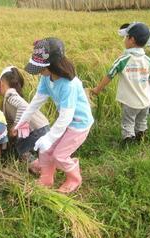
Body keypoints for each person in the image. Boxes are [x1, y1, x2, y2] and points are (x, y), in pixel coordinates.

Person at [15, 37, 93, 193]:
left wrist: (50, 137)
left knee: (59, 155)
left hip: (79, 125)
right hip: (65, 122)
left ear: (54, 65)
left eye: (40, 68)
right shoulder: (46, 77)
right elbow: (36, 102)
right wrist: (22, 122)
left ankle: (74, 178)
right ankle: (46, 178)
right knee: (45, 150)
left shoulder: (68, 85)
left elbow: (66, 116)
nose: (38, 72)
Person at [92, 23, 150, 143]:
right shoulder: (149, 61)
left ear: (132, 40)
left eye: (126, 37)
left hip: (130, 102)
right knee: (142, 122)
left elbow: (110, 75)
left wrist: (97, 89)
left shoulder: (123, 60)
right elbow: (148, 80)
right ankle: (142, 140)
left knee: (128, 123)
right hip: (145, 100)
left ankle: (128, 144)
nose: (124, 40)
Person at [0, 66, 50, 167]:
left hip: (36, 129)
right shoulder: (13, 96)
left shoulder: (10, 94)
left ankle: (38, 168)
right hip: (42, 126)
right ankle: (49, 165)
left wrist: (16, 125)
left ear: (2, 84)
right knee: (43, 151)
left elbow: (23, 107)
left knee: (22, 148)